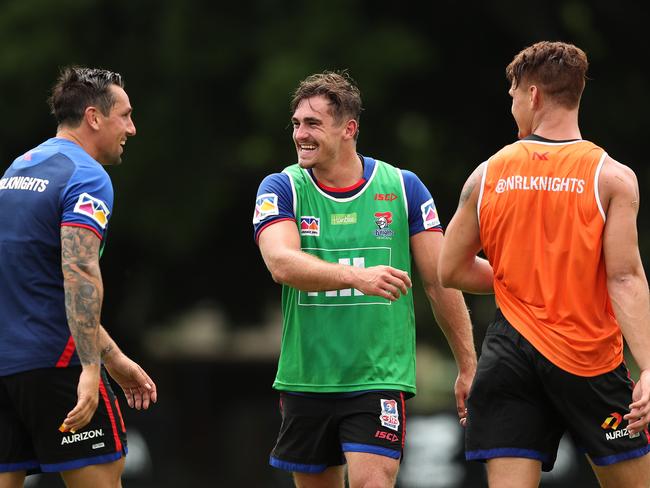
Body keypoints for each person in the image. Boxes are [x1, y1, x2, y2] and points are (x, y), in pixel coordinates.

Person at [439, 41, 650, 487]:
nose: (512, 105)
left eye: (513, 95)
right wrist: (648, 368)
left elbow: (450, 270)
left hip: (509, 361)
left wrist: (523, 284)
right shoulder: (612, 177)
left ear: (532, 96)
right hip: (590, 363)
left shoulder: (487, 174)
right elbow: (625, 277)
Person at [252, 70, 476, 488]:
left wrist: (467, 366)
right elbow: (281, 263)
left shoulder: (403, 187)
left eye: (313, 123)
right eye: (297, 123)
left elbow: (441, 280)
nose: (300, 133)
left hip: (377, 378)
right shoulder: (282, 187)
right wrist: (358, 276)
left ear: (349, 128)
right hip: (307, 378)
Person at [0, 67, 157, 488]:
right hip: (58, 362)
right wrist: (91, 366)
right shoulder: (87, 176)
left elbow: (37, 284)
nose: (132, 128)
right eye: (124, 116)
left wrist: (113, 357)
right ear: (93, 117)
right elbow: (78, 271)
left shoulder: (17, 169)